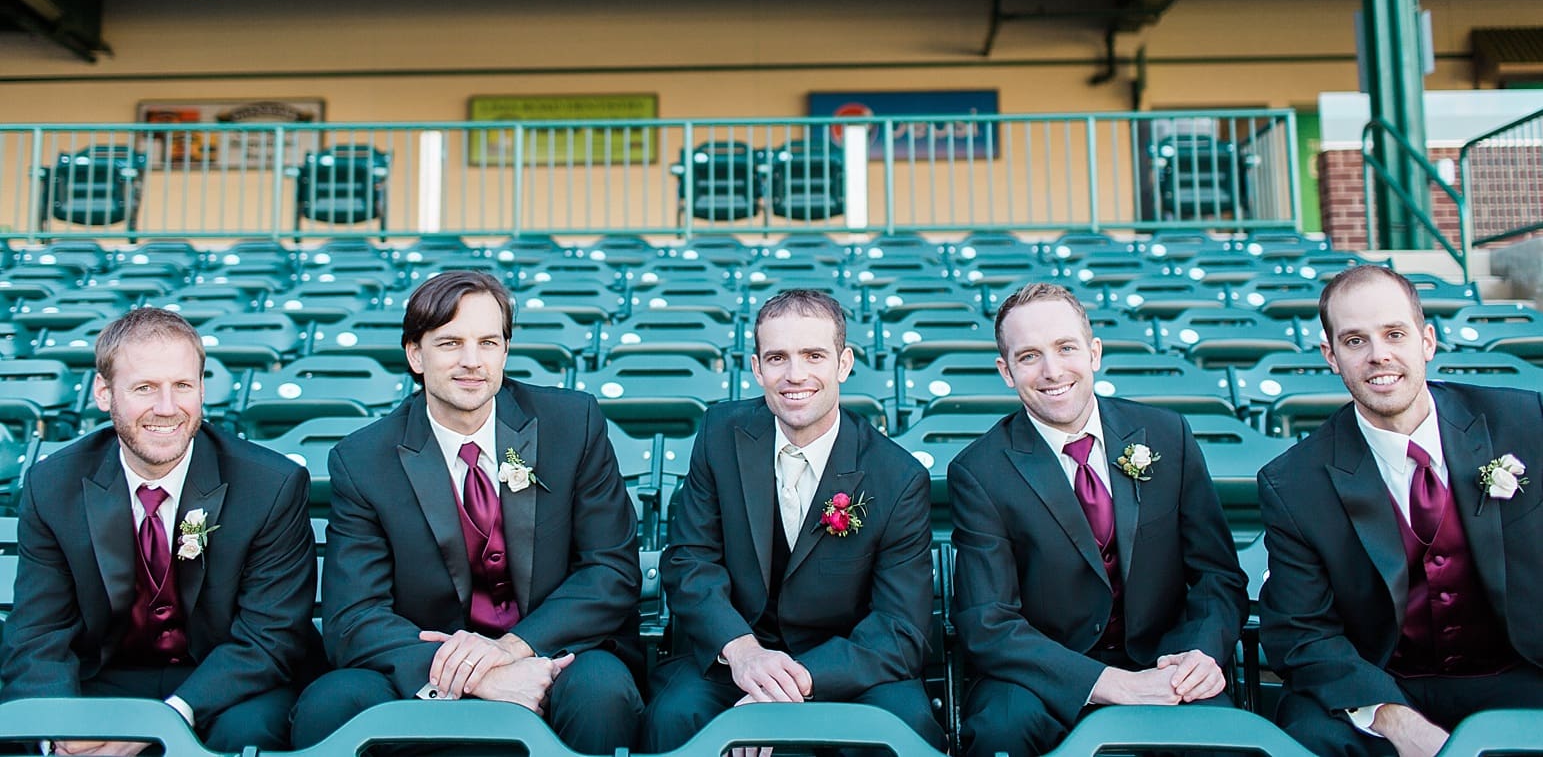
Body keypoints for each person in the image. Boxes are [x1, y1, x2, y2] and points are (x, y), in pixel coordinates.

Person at [289, 270, 643, 754]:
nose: (472, 362)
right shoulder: (363, 460)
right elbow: (355, 616)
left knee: (601, 692)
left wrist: (510, 649)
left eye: (488, 342)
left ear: (505, 350)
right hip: (427, 661)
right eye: (451, 343)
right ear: (416, 354)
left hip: (556, 653)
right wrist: (472, 675)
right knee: (330, 704)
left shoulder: (572, 423)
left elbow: (610, 571)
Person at [0, 307, 322, 753]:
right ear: (103, 392)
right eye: (145, 388)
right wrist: (59, 727)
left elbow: (270, 636)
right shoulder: (53, 485)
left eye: (183, 386)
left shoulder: (270, 485)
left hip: (228, 679)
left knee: (247, 733)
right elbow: (39, 629)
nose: (167, 408)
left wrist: (166, 718)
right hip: (106, 675)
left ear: (202, 389)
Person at [949, 282, 1248, 757]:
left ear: (1094, 352)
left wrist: (1202, 653)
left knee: (1220, 738)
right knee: (999, 730)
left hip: (1166, 663)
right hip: (1042, 678)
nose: (1052, 371)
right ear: (1006, 372)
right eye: (1029, 356)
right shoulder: (980, 471)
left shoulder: (1168, 436)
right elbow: (988, 621)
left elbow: (1217, 575)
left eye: (1066, 348)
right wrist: (1112, 684)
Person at [643, 288, 946, 753]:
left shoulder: (898, 476)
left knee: (905, 728)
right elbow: (689, 561)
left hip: (849, 666)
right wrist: (742, 652)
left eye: (813, 355)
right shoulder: (721, 434)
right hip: (737, 654)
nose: (795, 375)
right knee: (675, 715)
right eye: (778, 358)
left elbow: (900, 627)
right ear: (757, 367)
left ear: (843, 364)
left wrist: (793, 683)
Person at [1259, 265, 1543, 757]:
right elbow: (1301, 633)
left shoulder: (1527, 423)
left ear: (1427, 340)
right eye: (1354, 341)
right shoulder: (1293, 482)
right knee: (1309, 733)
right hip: (1386, 682)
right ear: (1331, 356)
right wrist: (1392, 718)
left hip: (1520, 670)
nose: (1378, 356)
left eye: (1394, 334)